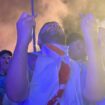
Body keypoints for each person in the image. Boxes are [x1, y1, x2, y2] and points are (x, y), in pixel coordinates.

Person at [6, 13, 70, 105]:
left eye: (58, 26)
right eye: (47, 27)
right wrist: (22, 39)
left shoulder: (79, 65)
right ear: (39, 41)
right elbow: (15, 95)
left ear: (65, 40)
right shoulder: (29, 59)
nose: (53, 25)